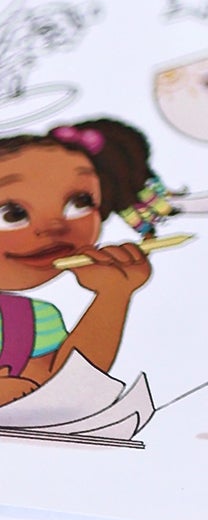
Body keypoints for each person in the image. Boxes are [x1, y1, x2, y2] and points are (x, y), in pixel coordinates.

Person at [0, 117, 156, 409]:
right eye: (12, 214)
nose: (56, 227)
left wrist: (113, 295)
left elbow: (62, 391)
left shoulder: (31, 320)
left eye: (80, 202)